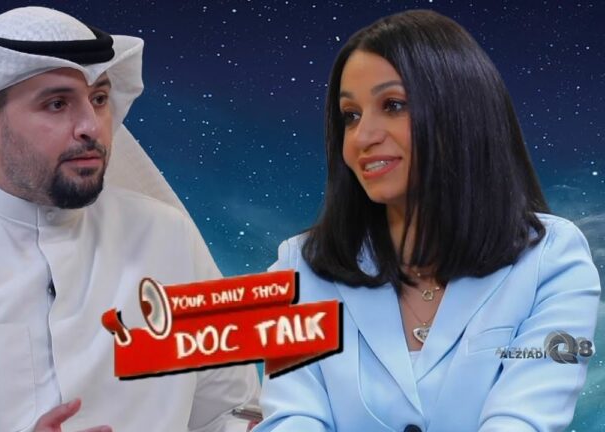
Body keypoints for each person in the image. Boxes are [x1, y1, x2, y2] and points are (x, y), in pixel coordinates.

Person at [0, 6, 259, 432]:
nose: (91, 126)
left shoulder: (168, 236)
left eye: (99, 99)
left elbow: (231, 411)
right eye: (57, 104)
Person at [254, 9, 600, 432]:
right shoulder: (297, 271)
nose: (363, 137)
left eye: (393, 105)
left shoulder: (552, 260)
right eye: (350, 115)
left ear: (461, 112)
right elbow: (292, 419)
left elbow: (523, 421)